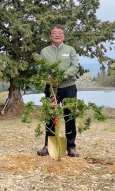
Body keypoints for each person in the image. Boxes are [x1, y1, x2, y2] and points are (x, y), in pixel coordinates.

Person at [37, 24, 80, 157]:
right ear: (50, 36)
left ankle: (71, 147)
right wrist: (47, 76)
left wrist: (61, 76)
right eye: (54, 32)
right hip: (51, 88)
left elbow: (75, 67)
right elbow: (41, 68)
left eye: (60, 33)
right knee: (50, 116)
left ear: (64, 36)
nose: (57, 35)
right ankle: (48, 145)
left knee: (69, 116)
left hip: (68, 86)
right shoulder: (44, 51)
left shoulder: (70, 50)